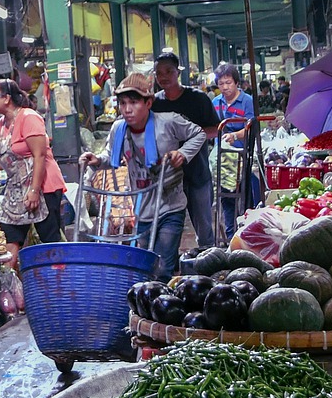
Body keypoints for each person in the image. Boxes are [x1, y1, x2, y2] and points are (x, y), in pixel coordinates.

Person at [81, 73, 206, 282]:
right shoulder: (118, 129)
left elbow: (199, 133)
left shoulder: (167, 123)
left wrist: (182, 154)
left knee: (162, 266)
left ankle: (161, 307)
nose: (127, 109)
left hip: (170, 206)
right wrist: (96, 159)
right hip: (142, 209)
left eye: (134, 102)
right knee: (147, 264)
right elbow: (111, 155)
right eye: (122, 103)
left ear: (148, 103)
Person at [0, 78, 67, 267]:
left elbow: (39, 155)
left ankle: (60, 282)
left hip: (43, 187)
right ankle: (10, 284)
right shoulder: (1, 124)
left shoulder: (29, 117)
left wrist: (33, 191)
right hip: (16, 191)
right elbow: (9, 157)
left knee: (49, 239)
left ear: (7, 98)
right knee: (10, 235)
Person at [152, 51, 220, 248]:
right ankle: (169, 267)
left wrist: (187, 139)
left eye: (168, 71)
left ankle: (208, 263)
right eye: (159, 73)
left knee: (204, 226)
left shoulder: (198, 99)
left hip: (197, 171)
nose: (163, 77)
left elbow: (215, 129)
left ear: (178, 72)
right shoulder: (155, 103)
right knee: (168, 227)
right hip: (167, 177)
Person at [212, 63, 259, 236]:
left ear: (236, 83)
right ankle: (231, 235)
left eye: (228, 82)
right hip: (224, 161)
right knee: (226, 197)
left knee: (247, 196)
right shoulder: (215, 103)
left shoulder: (247, 101)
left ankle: (249, 232)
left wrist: (235, 136)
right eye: (221, 83)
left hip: (244, 156)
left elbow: (251, 125)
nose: (225, 87)